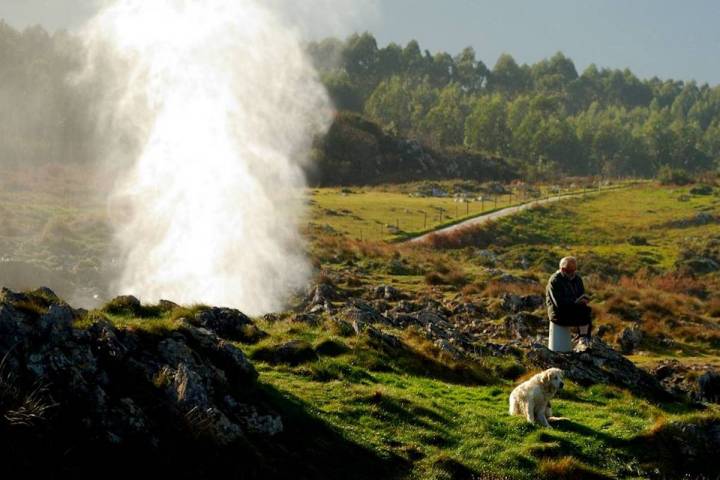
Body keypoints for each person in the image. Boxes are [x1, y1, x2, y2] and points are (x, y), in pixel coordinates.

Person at [546, 256, 592, 346]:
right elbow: (558, 303)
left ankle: (583, 338)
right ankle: (582, 339)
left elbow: (581, 294)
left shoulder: (577, 279)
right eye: (570, 271)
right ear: (562, 269)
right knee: (584, 313)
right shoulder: (554, 281)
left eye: (574, 271)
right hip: (558, 313)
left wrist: (583, 300)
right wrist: (575, 302)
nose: (573, 274)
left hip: (572, 309)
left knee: (586, 310)